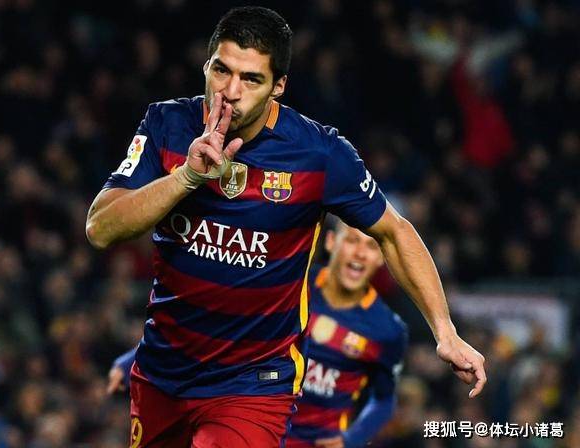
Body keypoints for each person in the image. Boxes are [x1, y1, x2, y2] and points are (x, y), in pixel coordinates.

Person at [86, 6, 486, 447]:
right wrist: (185, 178)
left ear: (278, 86)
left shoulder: (319, 154)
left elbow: (394, 232)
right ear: (206, 66)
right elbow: (101, 228)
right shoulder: (167, 124)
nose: (230, 91)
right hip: (162, 372)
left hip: (252, 383)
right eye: (221, 70)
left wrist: (445, 332)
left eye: (251, 79)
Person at [109, 220, 408, 448]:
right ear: (331, 241)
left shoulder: (387, 330)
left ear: (382, 258)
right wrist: (133, 358)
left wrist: (352, 440)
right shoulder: (290, 284)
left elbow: (384, 400)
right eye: (352, 240)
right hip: (250, 421)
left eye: (371, 247)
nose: (360, 253)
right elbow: (223, 327)